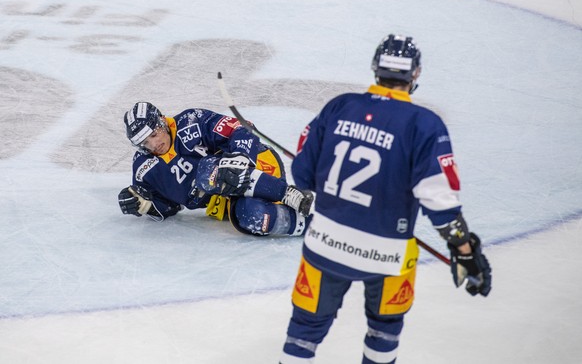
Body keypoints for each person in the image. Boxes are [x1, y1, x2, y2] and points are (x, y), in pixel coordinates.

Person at [280, 34, 492, 363]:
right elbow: (439, 201)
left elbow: (304, 173)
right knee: (385, 329)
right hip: (387, 254)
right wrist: (465, 252)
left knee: (304, 331)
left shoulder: (340, 106)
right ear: (415, 74)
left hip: (324, 244)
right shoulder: (425, 125)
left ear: (375, 69)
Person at [117, 101, 313, 237]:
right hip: (226, 200)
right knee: (251, 216)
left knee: (207, 172)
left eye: (154, 134)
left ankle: (288, 194)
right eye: (144, 142)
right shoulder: (143, 168)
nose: (153, 144)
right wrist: (145, 205)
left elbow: (242, 127)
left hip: (259, 165)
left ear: (161, 120)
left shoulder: (191, 120)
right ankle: (313, 227)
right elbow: (169, 207)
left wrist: (239, 156)